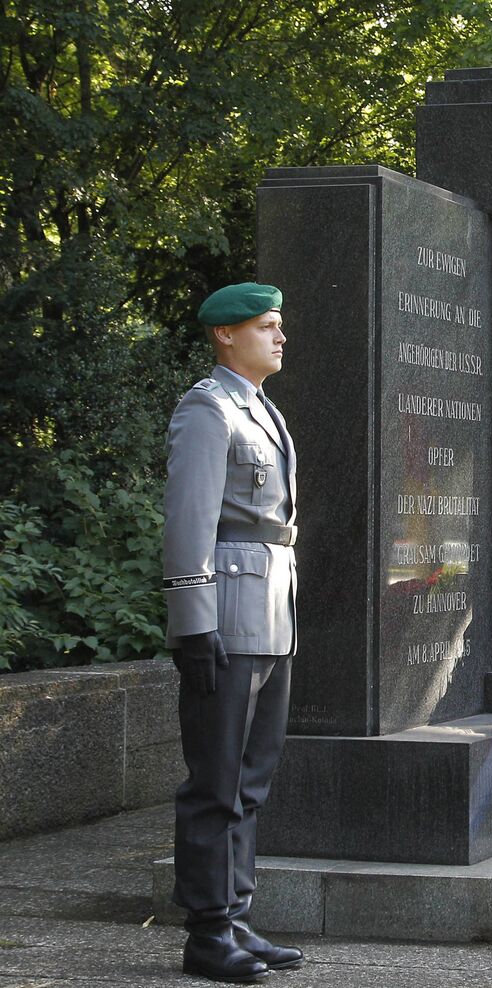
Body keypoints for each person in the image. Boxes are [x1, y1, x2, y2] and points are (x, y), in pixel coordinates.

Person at [163, 282, 303, 981]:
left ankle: (235, 917)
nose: (279, 338)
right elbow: (189, 521)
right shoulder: (208, 409)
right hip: (225, 611)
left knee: (250, 780)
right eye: (266, 326)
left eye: (279, 327)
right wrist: (193, 624)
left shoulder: (261, 410)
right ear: (225, 334)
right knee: (215, 780)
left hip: (269, 614)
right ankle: (207, 932)